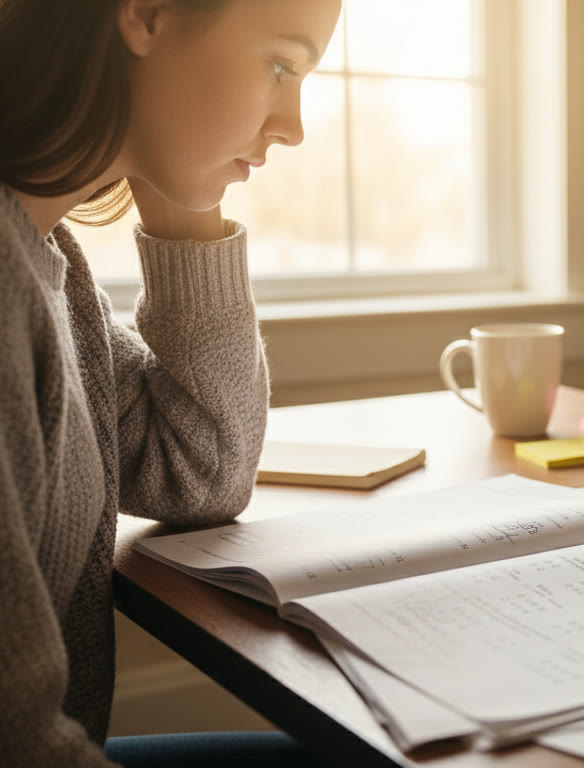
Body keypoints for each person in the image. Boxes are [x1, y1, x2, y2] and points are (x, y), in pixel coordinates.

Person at [0, 0, 341, 765]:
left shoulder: (48, 261)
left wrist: (186, 196)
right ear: (147, 14)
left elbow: (201, 471)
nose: (292, 125)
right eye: (281, 65)